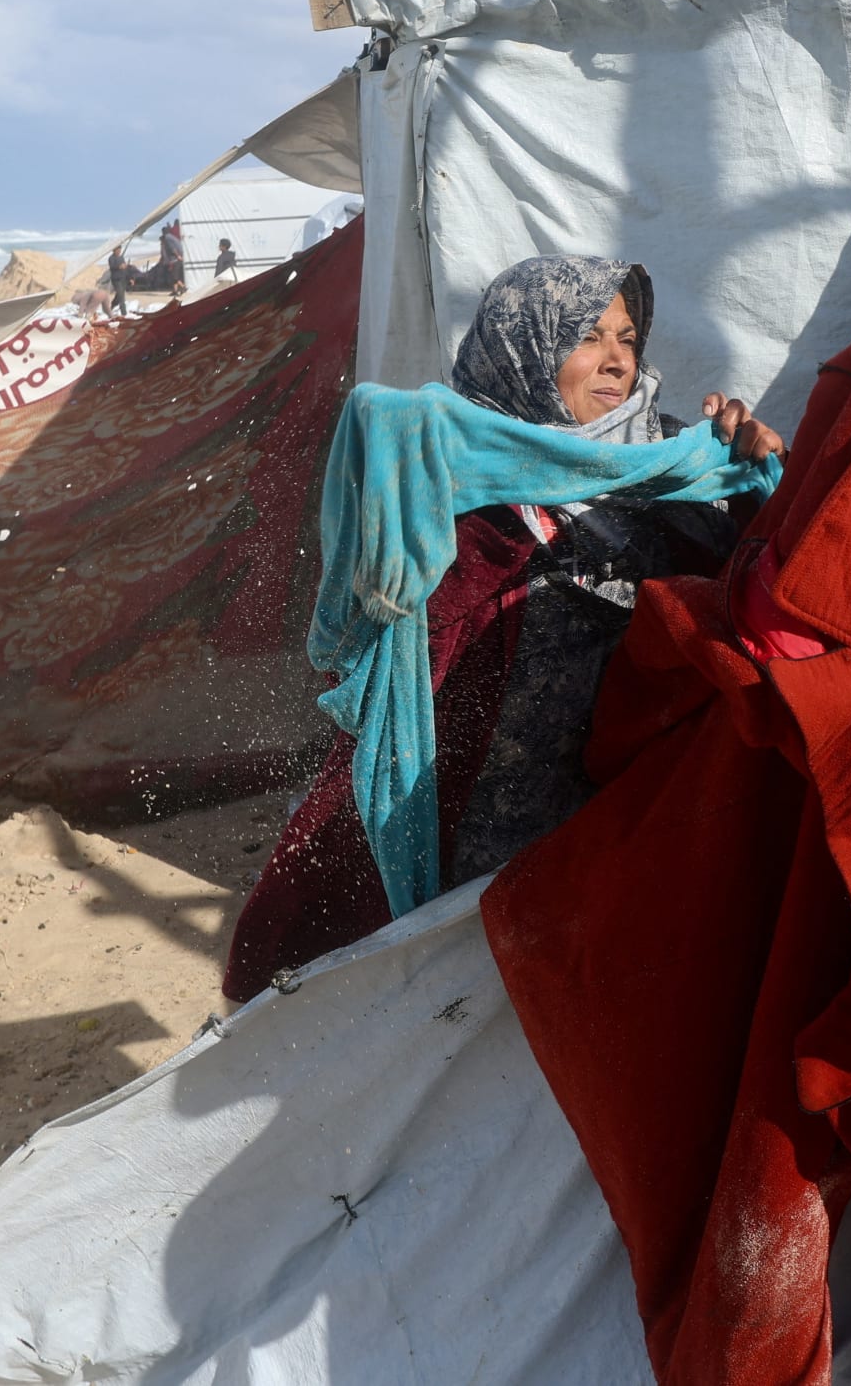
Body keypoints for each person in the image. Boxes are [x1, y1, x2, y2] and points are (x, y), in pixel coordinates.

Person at [223, 255, 781, 1000]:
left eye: (627, 336)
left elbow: (764, 594)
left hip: (635, 842)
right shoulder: (448, 478)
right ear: (526, 350)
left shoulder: (674, 462)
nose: (617, 358)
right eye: (587, 336)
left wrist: (755, 476)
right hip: (485, 859)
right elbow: (379, 637)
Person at [157, 220, 186, 296]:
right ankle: (175, 291)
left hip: (175, 259)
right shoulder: (172, 236)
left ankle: (183, 287)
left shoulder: (167, 238)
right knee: (174, 275)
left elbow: (172, 249)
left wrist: (178, 256)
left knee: (174, 276)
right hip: (176, 259)